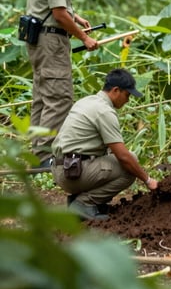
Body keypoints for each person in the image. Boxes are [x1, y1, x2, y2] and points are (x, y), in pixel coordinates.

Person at [25, 0, 99, 163]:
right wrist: (84, 39)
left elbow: (55, 6)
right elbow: (58, 14)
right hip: (51, 43)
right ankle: (45, 156)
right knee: (59, 98)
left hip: (39, 41)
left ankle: (36, 153)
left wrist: (75, 18)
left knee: (42, 97)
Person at [51, 68, 159, 221]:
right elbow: (123, 157)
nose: (128, 100)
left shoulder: (87, 101)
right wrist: (148, 180)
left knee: (113, 159)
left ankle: (79, 201)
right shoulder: (104, 111)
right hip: (72, 173)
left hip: (63, 168)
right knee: (128, 166)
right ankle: (83, 204)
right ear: (116, 90)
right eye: (127, 95)